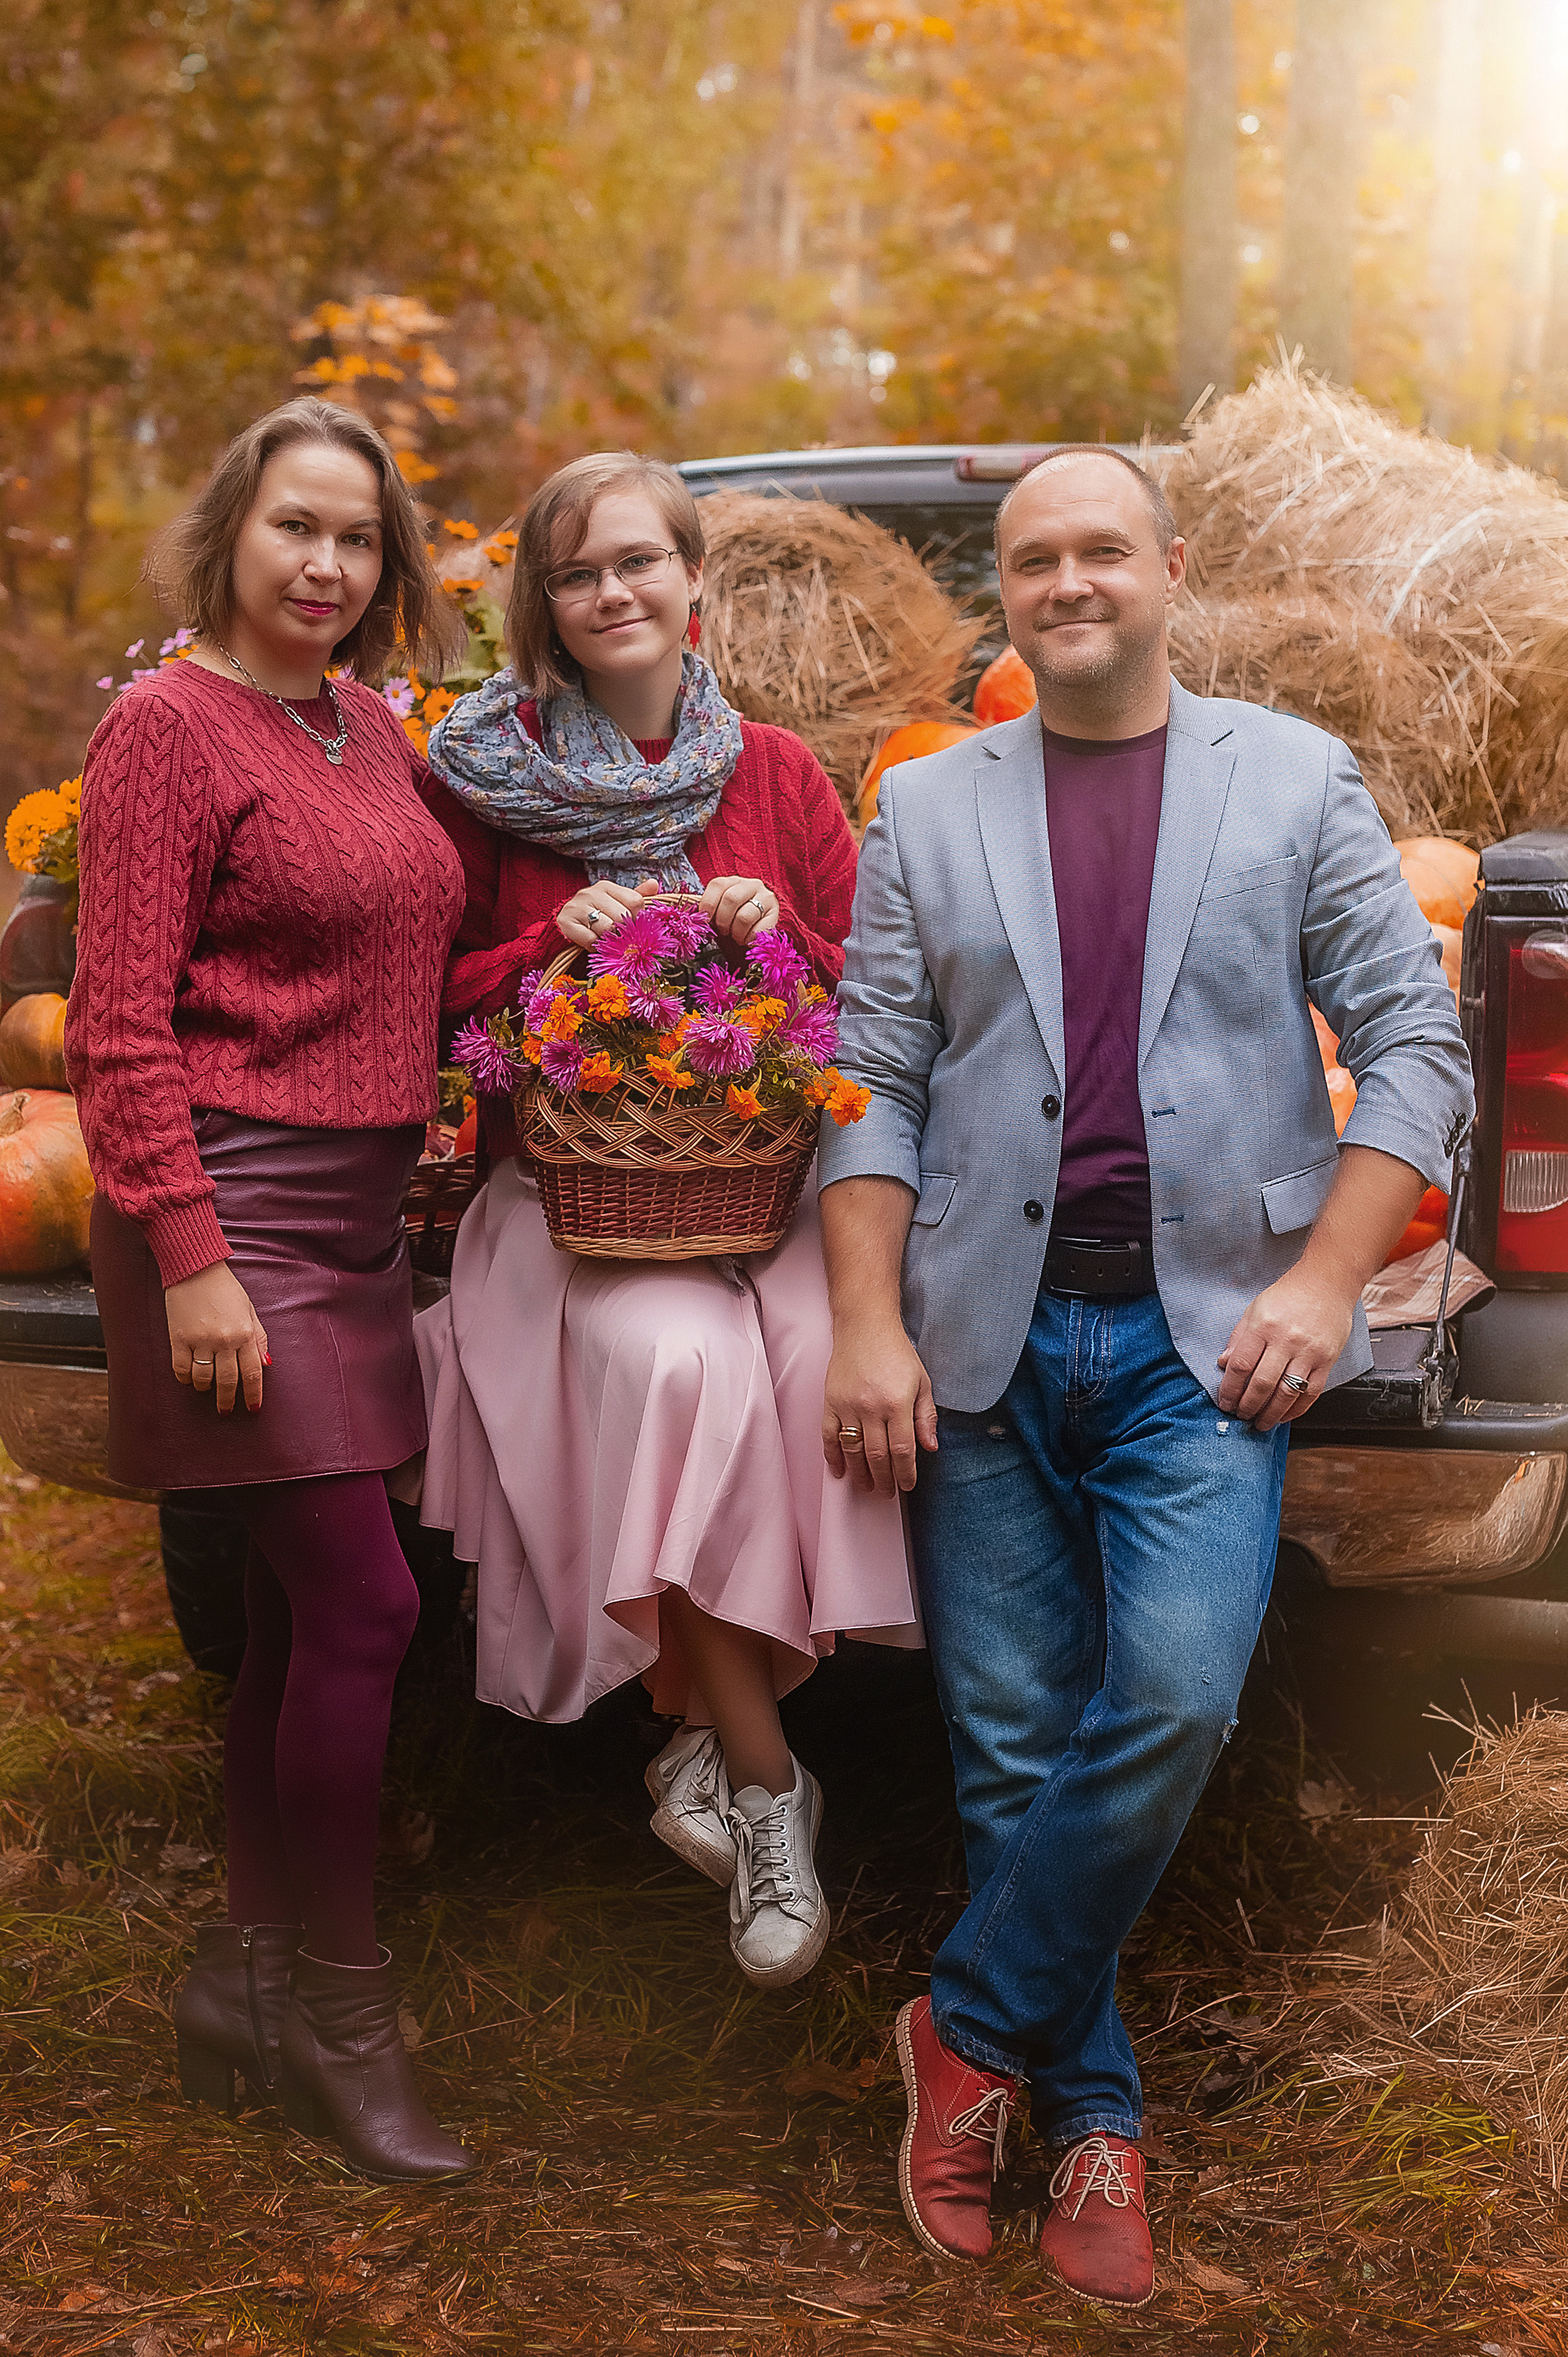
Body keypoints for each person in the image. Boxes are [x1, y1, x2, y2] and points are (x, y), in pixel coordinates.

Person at [815, 446, 1472, 2302]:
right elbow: (870, 1076)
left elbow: (1415, 1047)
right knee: (1012, 1743)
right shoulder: (928, 805)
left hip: (1208, 1342)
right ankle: (1091, 2116)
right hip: (981, 1334)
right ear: (1005, 595)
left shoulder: (1294, 777)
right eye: (1034, 559)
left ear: (1173, 569)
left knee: (1176, 1699)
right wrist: (865, 1318)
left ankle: (962, 2026)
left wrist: (1328, 1280)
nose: (1069, 581)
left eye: (1102, 549)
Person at [412, 450, 917, 1989]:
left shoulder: (775, 772)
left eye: (637, 559)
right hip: (576, 1207)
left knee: (826, 1358)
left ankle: (693, 1738)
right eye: (575, 572)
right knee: (677, 1369)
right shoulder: (479, 778)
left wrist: (785, 936)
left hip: (759, 1190)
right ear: (543, 605)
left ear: (696, 578)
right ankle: (766, 1786)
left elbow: (874, 988)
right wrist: (538, 952)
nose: (610, 591)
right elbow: (431, 999)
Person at [66, 396, 476, 2184]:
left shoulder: (367, 726)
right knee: (369, 1609)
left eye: (359, 537)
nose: (327, 563)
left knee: (302, 1620)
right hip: (232, 1217)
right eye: (296, 525)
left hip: (356, 1224)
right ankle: (342, 2013)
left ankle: (239, 1981)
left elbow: (398, 959)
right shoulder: (166, 725)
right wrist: (191, 1259)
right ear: (232, 531)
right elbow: (115, 1025)